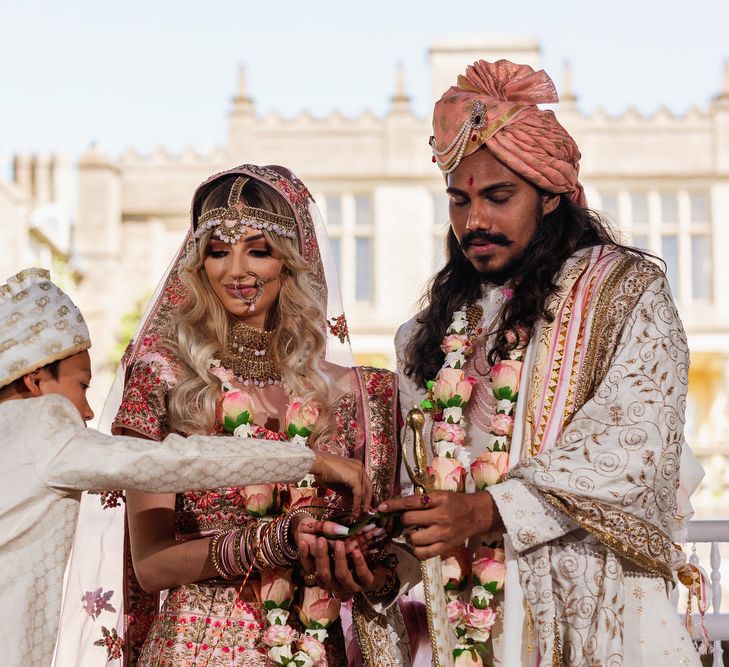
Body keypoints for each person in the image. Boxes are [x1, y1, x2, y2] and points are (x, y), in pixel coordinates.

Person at [382, 60, 704, 666]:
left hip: (597, 608)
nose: (473, 221)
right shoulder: (425, 335)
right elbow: (418, 475)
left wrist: (484, 511)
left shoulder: (625, 294)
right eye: (459, 201)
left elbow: (633, 446)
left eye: (498, 197)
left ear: (552, 195)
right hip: (461, 616)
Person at [72, 165, 413, 667]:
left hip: (314, 647)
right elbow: (150, 564)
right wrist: (275, 541)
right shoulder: (166, 381)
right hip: (194, 650)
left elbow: (391, 565)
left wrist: (362, 569)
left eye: (258, 250)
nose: (236, 271)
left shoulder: (359, 394)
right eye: (217, 251)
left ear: (292, 263)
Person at [0, 267, 367, 667]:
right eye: (82, 386)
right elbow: (172, 463)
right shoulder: (44, 427)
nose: (88, 411)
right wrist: (309, 461)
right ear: (36, 382)